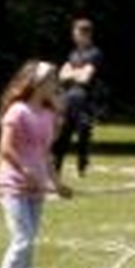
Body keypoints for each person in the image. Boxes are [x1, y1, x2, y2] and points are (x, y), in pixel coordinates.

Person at [0, 60, 71, 268]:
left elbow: (46, 153)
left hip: (37, 188)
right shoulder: (17, 111)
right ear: (35, 82)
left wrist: (57, 184)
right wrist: (24, 171)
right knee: (22, 239)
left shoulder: (48, 115)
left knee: (29, 240)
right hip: (14, 185)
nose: (54, 84)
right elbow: (5, 148)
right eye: (50, 79)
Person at [52, 16, 103, 178]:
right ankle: (56, 167)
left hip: (85, 101)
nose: (74, 36)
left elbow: (85, 78)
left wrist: (72, 73)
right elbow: (61, 75)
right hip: (68, 99)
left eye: (76, 33)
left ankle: (82, 167)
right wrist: (76, 73)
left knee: (83, 135)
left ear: (86, 34)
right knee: (62, 134)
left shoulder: (94, 53)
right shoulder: (73, 54)